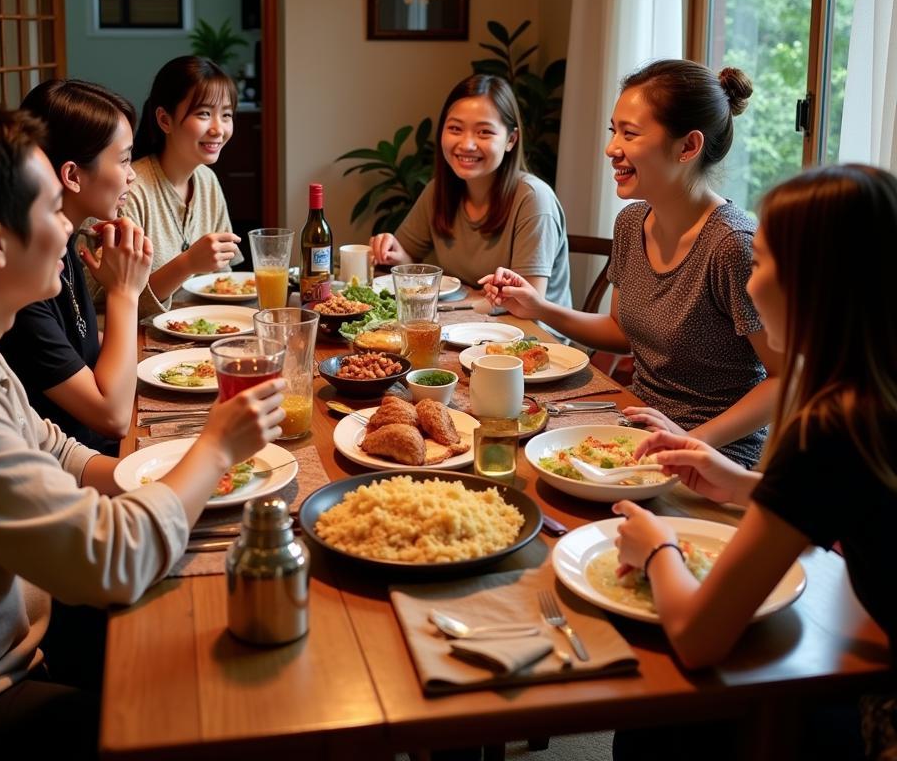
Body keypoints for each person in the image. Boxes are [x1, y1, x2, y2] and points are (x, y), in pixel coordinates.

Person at [0, 102, 284, 760]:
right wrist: (214, 448)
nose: (68, 229)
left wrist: (175, 465)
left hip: (13, 649)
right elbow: (111, 563)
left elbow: (58, 450)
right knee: (222, 710)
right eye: (50, 211)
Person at [612, 164, 897, 759]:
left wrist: (657, 547)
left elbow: (698, 637)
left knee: (657, 722)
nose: (750, 282)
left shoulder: (832, 424)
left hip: (878, 710)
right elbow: (856, 501)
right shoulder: (875, 395)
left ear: (814, 284)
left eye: (763, 262)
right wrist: (744, 484)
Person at [481, 60, 779, 468]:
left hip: (714, 456)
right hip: (634, 426)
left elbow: (785, 380)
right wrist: (539, 308)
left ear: (688, 147)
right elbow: (621, 330)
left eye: (630, 133)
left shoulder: (732, 246)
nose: (611, 148)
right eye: (613, 130)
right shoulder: (632, 222)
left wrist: (692, 442)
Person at [0, 79, 149, 456]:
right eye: (125, 159)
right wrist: (123, 293)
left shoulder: (67, 239)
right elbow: (111, 416)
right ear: (72, 175)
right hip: (79, 467)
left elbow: (82, 346)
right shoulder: (25, 280)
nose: (132, 175)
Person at [370, 74, 572, 307]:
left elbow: (526, 305)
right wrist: (393, 253)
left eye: (484, 132)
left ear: (511, 140)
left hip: (531, 337)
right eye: (455, 128)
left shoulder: (534, 200)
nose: (466, 144)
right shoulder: (439, 190)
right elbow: (408, 258)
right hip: (467, 325)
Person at [124, 56, 243, 317]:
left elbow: (223, 282)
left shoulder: (207, 181)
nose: (218, 129)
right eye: (203, 113)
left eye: (226, 115)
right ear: (165, 120)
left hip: (205, 328)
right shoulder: (129, 191)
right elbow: (114, 302)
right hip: (142, 338)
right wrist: (188, 263)